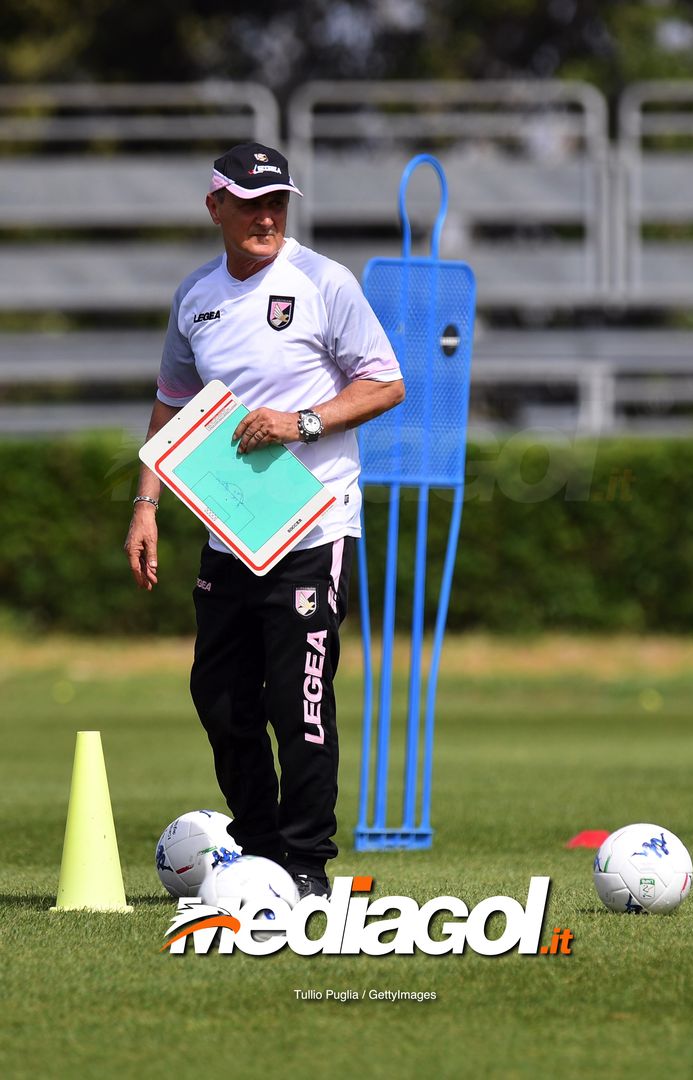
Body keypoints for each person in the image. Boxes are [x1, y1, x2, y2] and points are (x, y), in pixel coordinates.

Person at [124, 142, 404, 900]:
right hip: (231, 532)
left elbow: (385, 383)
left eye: (277, 200)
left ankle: (307, 868)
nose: (266, 216)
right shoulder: (195, 296)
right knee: (218, 698)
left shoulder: (323, 282)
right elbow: (173, 404)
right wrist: (146, 503)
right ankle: (260, 851)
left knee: (299, 701)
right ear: (215, 207)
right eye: (249, 203)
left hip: (315, 530)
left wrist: (302, 422)